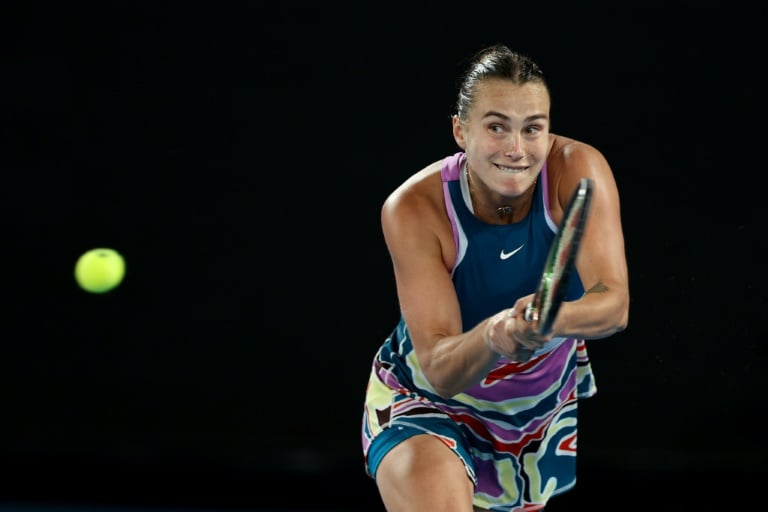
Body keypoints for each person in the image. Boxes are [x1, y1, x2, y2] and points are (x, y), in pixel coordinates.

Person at [360, 44, 630, 511]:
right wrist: (496, 333)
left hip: (530, 412)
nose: (516, 149)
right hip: (423, 401)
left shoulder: (578, 170)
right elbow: (440, 370)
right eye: (496, 127)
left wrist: (548, 319)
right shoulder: (413, 208)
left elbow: (614, 305)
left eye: (532, 128)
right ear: (460, 130)